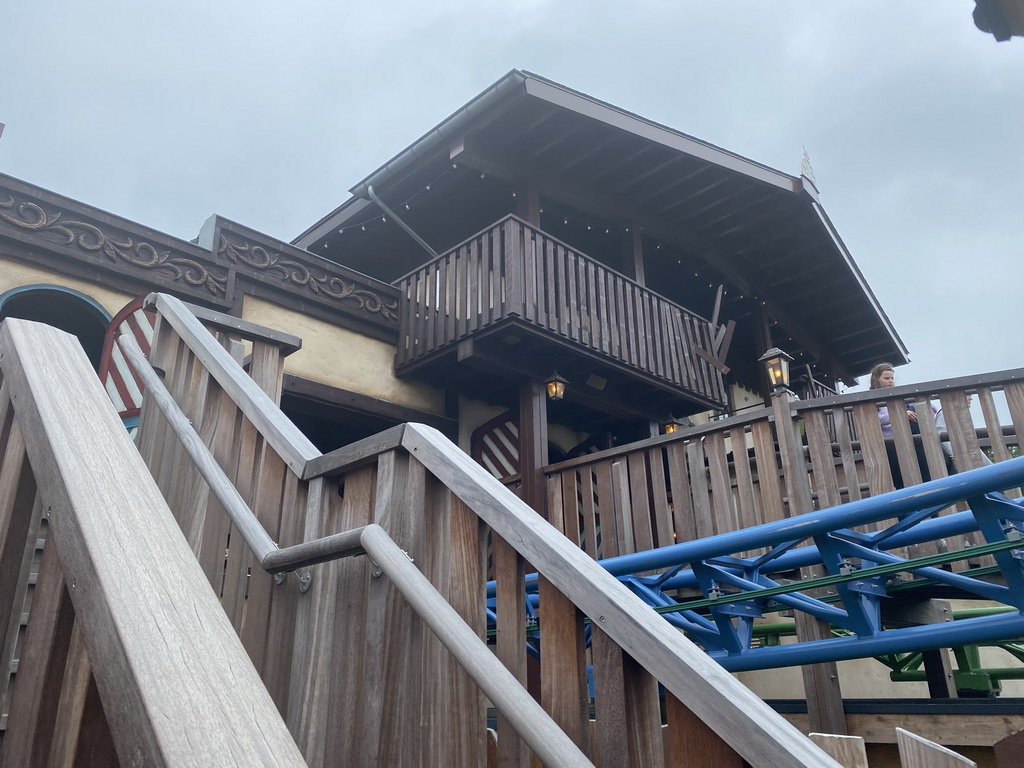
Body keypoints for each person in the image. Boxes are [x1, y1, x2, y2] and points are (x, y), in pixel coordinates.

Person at [869, 362, 933, 488]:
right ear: (877, 379)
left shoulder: (898, 395)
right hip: (890, 443)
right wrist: (900, 414)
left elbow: (929, 408)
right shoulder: (871, 399)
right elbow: (874, 419)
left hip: (908, 438)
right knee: (899, 477)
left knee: (924, 470)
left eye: (892, 378)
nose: (891, 381)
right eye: (886, 378)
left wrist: (923, 410)